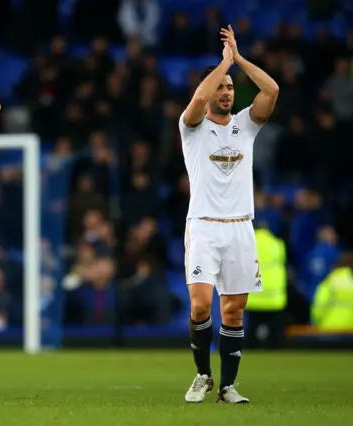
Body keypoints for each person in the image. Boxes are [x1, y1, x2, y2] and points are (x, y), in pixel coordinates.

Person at [179, 25, 279, 403]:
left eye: (231, 88)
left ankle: (227, 387)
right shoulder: (192, 127)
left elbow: (271, 90)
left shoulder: (245, 126)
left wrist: (237, 60)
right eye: (221, 87)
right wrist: (221, 65)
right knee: (201, 304)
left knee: (234, 312)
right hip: (203, 226)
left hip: (240, 226)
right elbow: (196, 99)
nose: (226, 92)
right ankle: (203, 374)